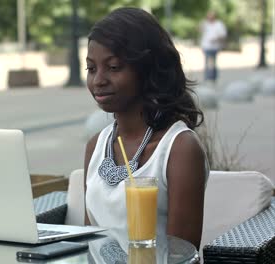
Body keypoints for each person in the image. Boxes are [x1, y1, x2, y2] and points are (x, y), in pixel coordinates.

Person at [83, 7, 209, 250]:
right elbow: (90, 244)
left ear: (147, 69)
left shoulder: (179, 149)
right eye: (91, 68)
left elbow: (180, 255)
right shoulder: (95, 146)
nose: (98, 80)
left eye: (114, 67)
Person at [200, 11, 227, 86]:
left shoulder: (219, 24)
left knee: (213, 63)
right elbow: (200, 30)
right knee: (207, 63)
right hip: (206, 46)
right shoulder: (205, 24)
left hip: (214, 47)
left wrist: (215, 39)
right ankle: (207, 78)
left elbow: (223, 35)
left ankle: (213, 78)